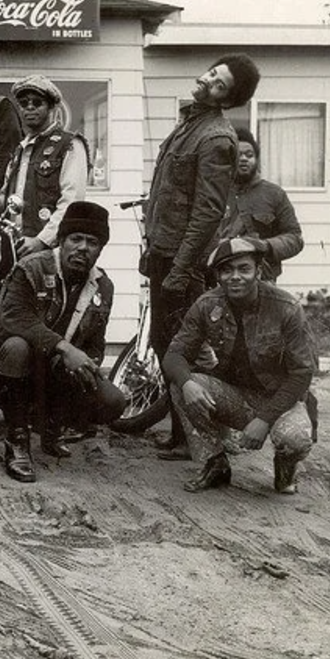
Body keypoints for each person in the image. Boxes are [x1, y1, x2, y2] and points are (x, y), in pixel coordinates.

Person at [140, 53, 261, 452]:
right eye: (212, 73)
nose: (207, 80)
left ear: (227, 99)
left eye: (219, 84)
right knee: (165, 342)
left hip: (182, 260)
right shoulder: (189, 124)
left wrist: (180, 267)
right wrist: (152, 248)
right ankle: (183, 433)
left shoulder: (216, 137)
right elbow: (168, 194)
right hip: (165, 251)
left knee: (178, 346)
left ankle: (196, 438)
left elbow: (208, 211)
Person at [163, 238, 315, 494]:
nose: (235, 277)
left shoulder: (286, 308)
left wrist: (265, 420)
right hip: (236, 397)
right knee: (183, 386)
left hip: (281, 400)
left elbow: (302, 373)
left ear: (259, 271)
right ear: (218, 276)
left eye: (243, 269)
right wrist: (187, 382)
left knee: (295, 440)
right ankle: (215, 463)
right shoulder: (207, 304)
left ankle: (285, 469)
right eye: (226, 270)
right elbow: (174, 355)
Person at [0, 202, 127, 483]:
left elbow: (96, 343)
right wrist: (64, 349)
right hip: (16, 365)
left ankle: (53, 424)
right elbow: (13, 318)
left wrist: (87, 365)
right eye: (75, 239)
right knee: (17, 347)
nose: (82, 248)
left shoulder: (103, 286)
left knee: (113, 401)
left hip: (56, 371)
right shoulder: (31, 267)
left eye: (92, 242)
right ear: (61, 241)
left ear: (100, 249)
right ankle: (17, 440)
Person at [0, 75, 89, 259]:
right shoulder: (18, 151)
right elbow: (5, 200)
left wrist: (42, 240)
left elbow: (72, 202)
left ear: (52, 107)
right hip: (13, 249)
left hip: (48, 251)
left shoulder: (69, 144)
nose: (29, 108)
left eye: (37, 103)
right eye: (23, 103)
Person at [211, 126, 303, 283]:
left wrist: (265, 245)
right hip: (219, 279)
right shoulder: (213, 193)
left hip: (263, 280)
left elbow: (295, 238)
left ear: (257, 160)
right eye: (238, 155)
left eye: (249, 155)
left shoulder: (274, 194)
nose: (244, 159)